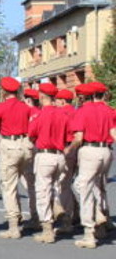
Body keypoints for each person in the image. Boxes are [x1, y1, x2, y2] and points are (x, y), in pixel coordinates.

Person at [0, 77, 38, 239]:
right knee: (30, 184)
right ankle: (35, 217)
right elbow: (36, 120)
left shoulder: (0, 107)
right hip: (26, 145)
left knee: (9, 186)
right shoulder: (26, 107)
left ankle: (14, 226)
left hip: (10, 145)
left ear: (3, 91)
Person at [64, 82, 115, 249]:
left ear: (88, 96)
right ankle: (102, 224)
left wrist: (69, 149)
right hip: (106, 150)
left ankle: (89, 232)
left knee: (82, 186)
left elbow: (78, 137)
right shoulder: (109, 111)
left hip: (90, 150)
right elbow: (114, 133)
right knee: (99, 185)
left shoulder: (84, 111)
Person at [27, 83, 69, 244]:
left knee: (43, 191)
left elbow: (31, 135)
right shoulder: (63, 115)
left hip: (45, 155)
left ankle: (47, 229)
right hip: (59, 155)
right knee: (56, 188)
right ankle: (61, 213)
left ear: (42, 96)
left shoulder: (40, 115)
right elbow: (68, 136)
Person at [54, 88, 78, 233]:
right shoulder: (77, 112)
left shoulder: (61, 113)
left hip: (67, 149)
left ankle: (67, 220)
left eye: (57, 100)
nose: (56, 103)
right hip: (78, 150)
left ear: (62, 101)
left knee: (64, 185)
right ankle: (78, 212)